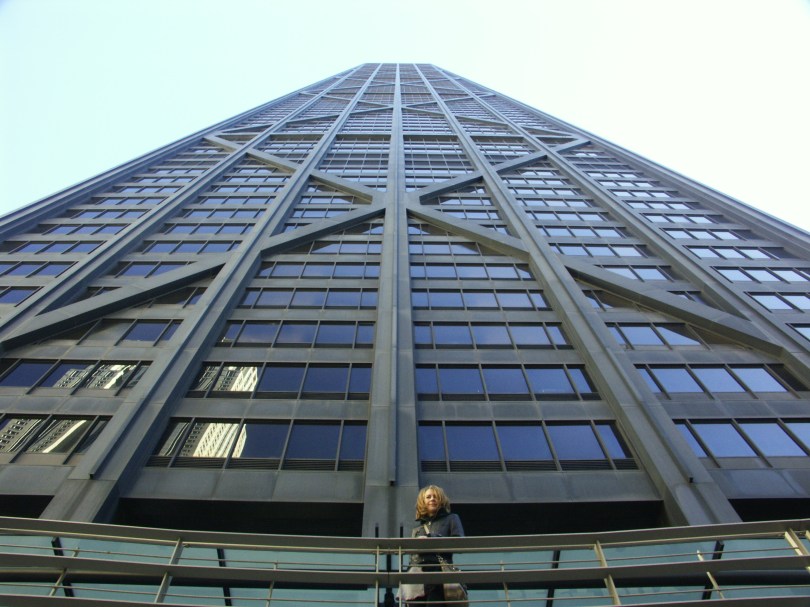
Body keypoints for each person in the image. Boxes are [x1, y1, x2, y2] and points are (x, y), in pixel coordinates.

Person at [410, 485, 464, 604]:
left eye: (435, 496)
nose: (432, 499)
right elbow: (412, 556)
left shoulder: (452, 518)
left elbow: (459, 542)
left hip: (439, 572)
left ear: (441, 500)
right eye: (428, 497)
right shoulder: (417, 528)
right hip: (419, 575)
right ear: (422, 501)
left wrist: (431, 538)